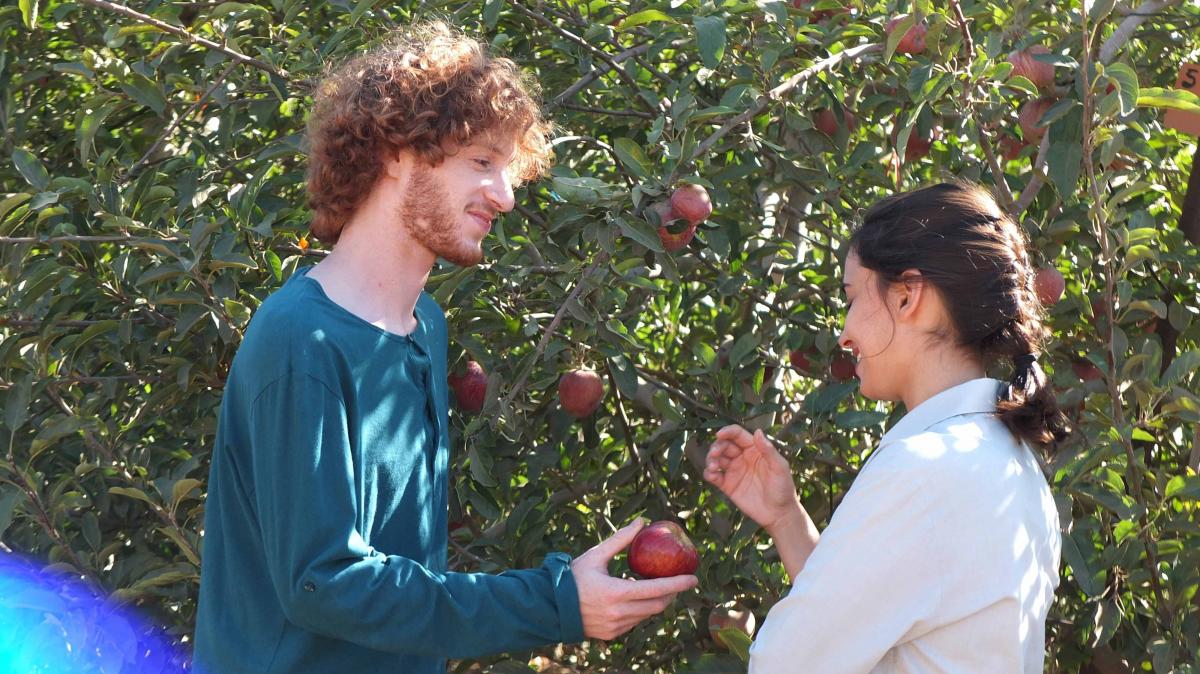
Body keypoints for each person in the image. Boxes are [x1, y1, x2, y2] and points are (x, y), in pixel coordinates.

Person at [193, 22, 696, 674]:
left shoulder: (422, 325)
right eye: (482, 162)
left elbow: (401, 573)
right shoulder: (303, 344)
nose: (506, 196)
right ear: (398, 151)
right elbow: (325, 584)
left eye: (509, 169)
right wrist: (553, 602)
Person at [704, 182, 1069, 673]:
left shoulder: (923, 469)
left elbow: (785, 665)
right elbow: (889, 628)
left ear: (906, 297)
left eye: (852, 298)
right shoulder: (1013, 464)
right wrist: (787, 518)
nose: (844, 332)